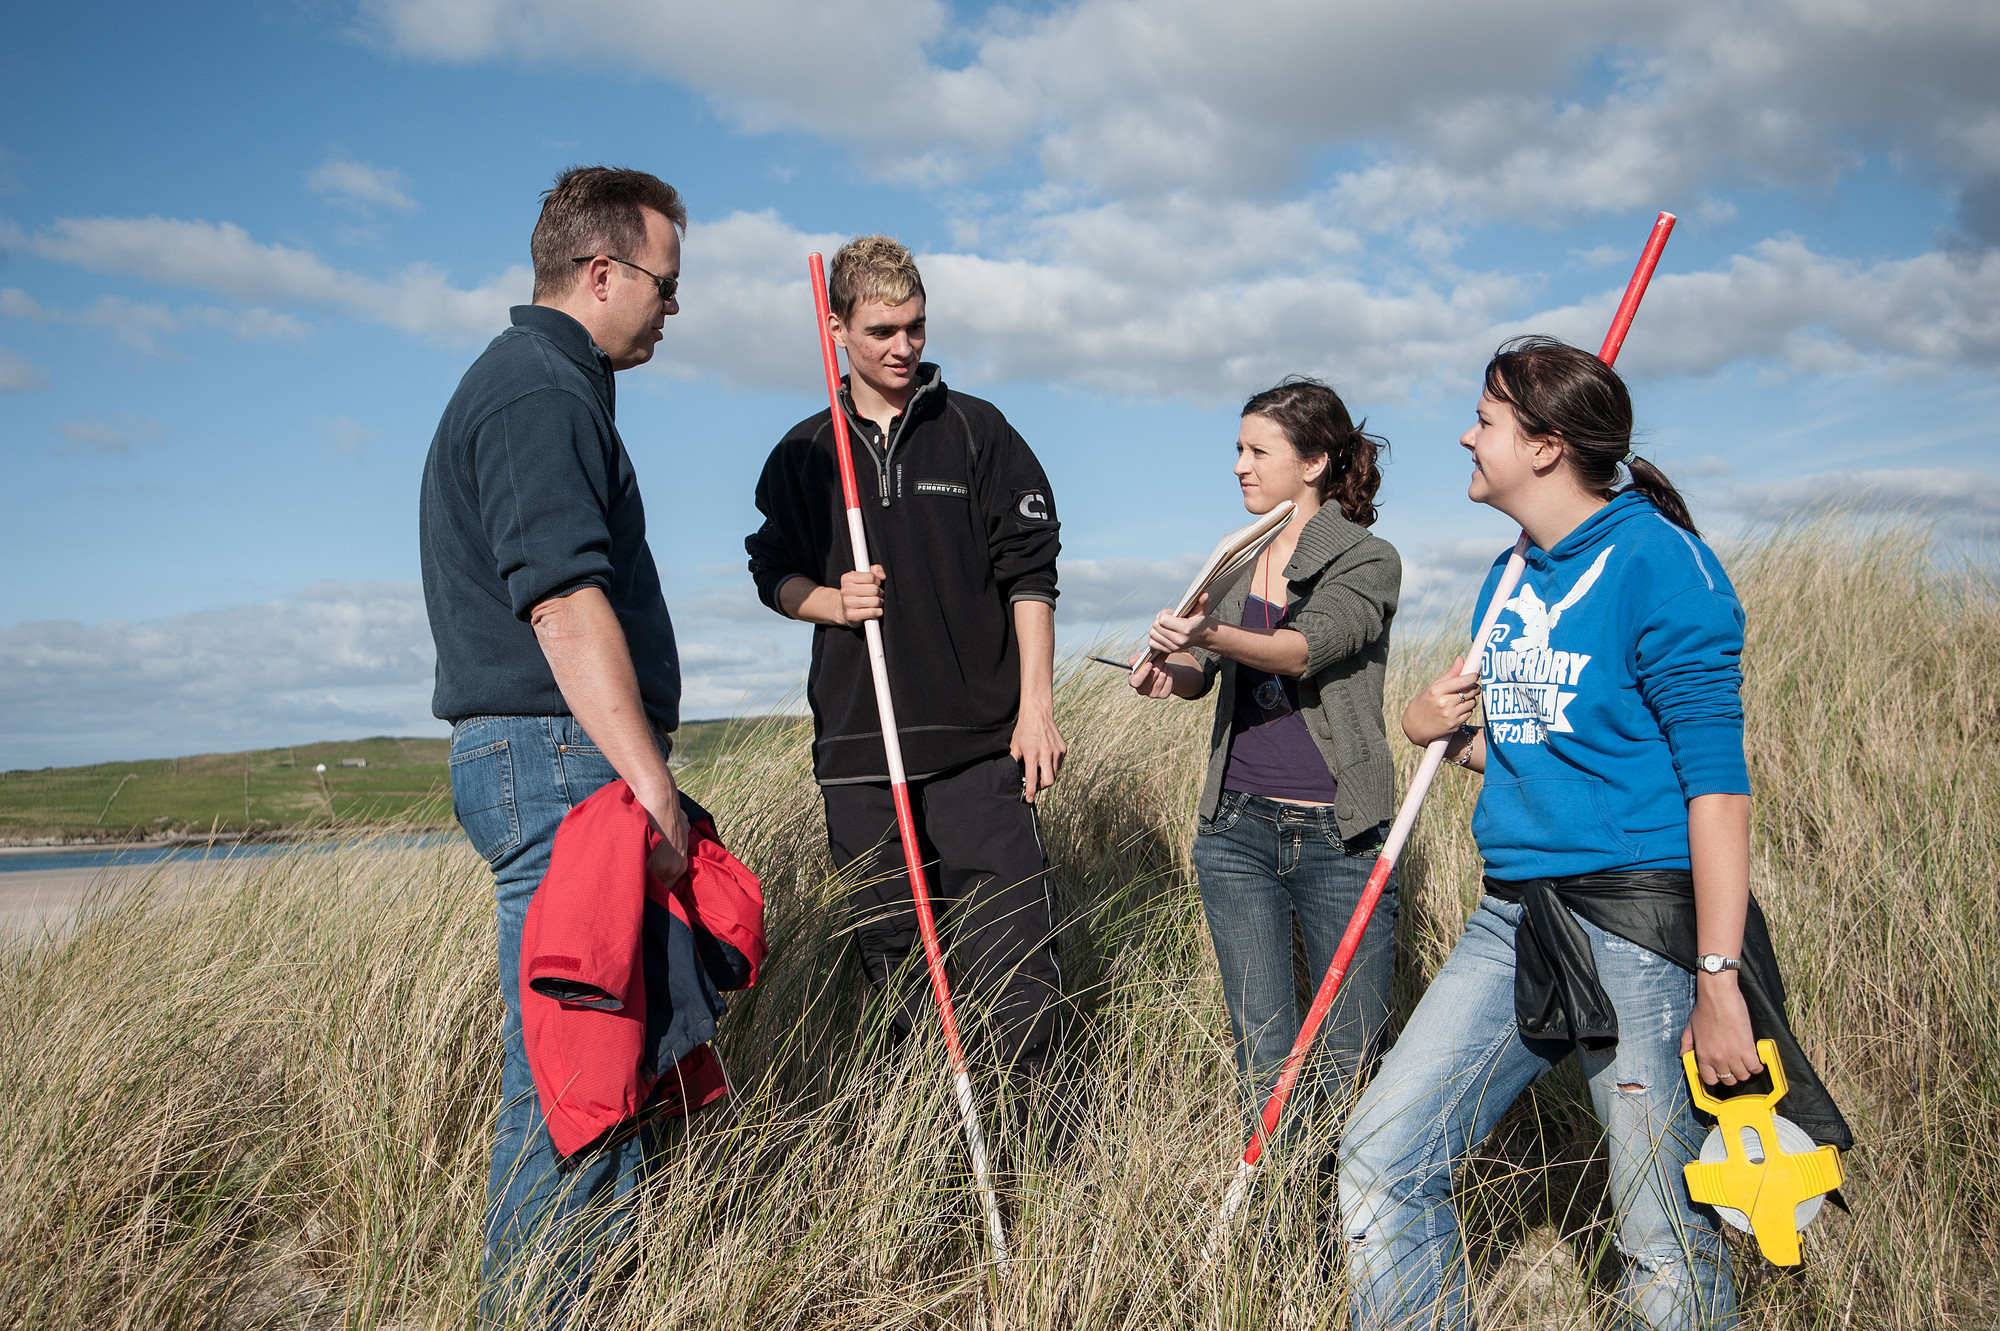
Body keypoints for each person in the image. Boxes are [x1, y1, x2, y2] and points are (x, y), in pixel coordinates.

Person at [1338, 336, 1850, 1330]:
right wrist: (1431, 728)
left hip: (1641, 928)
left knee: (1659, 1230)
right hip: (1513, 916)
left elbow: (1717, 790)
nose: (1463, 433)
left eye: (1483, 419)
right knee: (1382, 1159)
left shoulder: (1663, 566)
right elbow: (1545, 746)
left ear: (1544, 445)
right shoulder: (1509, 574)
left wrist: (1715, 981)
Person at [419, 165, 690, 1321]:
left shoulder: (547, 380)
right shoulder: (536, 389)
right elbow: (563, 607)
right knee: (567, 1089)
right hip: (557, 764)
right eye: (664, 285)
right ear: (601, 272)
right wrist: (651, 784)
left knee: (596, 1078)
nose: (673, 309)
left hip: (549, 762)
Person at [744, 234, 1069, 1096]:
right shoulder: (804, 453)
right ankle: (922, 1177)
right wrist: (830, 601)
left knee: (1017, 974)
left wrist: (1035, 707)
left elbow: (1030, 570)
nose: (902, 347)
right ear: (836, 326)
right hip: (862, 756)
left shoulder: (977, 431)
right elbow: (770, 569)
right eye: (882, 329)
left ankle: (1039, 1168)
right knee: (897, 982)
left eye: (916, 327)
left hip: (978, 748)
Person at [1126, 378, 1402, 1140]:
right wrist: (1164, 672)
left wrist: (1203, 635)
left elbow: (1303, 649)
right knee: (1264, 1055)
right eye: (1238, 450)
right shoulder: (1236, 558)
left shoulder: (1367, 558)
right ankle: (1280, 1238)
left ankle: (1350, 1231)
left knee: (1351, 1055)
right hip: (1236, 831)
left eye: (1258, 450)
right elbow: (1199, 677)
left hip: (1339, 836)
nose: (1241, 466)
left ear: (1313, 462)